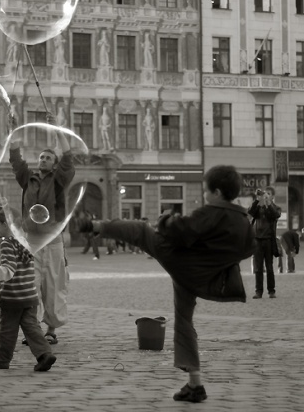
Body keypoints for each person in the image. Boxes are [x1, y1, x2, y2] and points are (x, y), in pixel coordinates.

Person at [78, 165, 256, 403]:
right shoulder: (244, 222)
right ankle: (195, 385)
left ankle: (97, 226)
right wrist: (213, 260)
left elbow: (181, 229)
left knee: (141, 230)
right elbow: (247, 250)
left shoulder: (212, 212)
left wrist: (166, 219)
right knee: (184, 321)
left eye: (206, 190)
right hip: (205, 279)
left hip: (182, 263)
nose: (204, 194)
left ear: (216, 192)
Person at [9, 111, 75, 345]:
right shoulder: (28, 179)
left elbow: (68, 156)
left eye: (48, 157)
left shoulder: (59, 180)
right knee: (31, 286)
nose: (44, 159)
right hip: (31, 241)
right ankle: (34, 329)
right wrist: (14, 131)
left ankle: (51, 330)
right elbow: (16, 159)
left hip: (53, 240)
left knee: (53, 286)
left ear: (55, 164)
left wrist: (56, 128)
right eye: (42, 157)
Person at [0, 211, 57, 372]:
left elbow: (8, 270)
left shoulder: (7, 243)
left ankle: (1, 359)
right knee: (32, 327)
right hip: (29, 294)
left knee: (7, 329)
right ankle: (45, 354)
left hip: (13, 296)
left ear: (6, 225)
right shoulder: (24, 241)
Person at [248, 186, 281, 299]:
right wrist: (258, 199)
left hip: (268, 240)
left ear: (272, 196)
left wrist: (268, 203)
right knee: (258, 268)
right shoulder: (258, 207)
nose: (266, 195)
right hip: (257, 240)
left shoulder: (275, 208)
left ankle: (271, 291)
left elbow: (275, 215)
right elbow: (250, 211)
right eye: (265, 193)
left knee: (269, 267)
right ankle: (258, 291)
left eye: (268, 194)